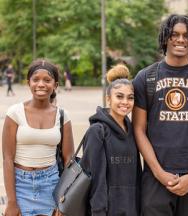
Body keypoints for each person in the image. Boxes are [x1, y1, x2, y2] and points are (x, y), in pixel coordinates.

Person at [132, 14, 188, 216]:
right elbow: (138, 129)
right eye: (174, 34)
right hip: (156, 177)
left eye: (186, 36)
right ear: (165, 38)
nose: (181, 40)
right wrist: (159, 173)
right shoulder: (146, 77)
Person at [2, 59, 74, 216]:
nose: (41, 84)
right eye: (36, 79)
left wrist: (63, 199)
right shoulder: (14, 113)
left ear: (55, 85)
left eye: (47, 80)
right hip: (20, 185)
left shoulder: (62, 116)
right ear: (29, 83)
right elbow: (7, 158)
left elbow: (69, 159)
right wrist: (12, 201)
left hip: (52, 185)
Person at [80, 64, 141, 216]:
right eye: (119, 96)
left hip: (131, 209)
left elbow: (136, 174)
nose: (125, 102)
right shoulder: (97, 131)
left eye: (130, 98)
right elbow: (95, 179)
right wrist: (98, 211)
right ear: (108, 98)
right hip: (104, 211)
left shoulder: (133, 130)